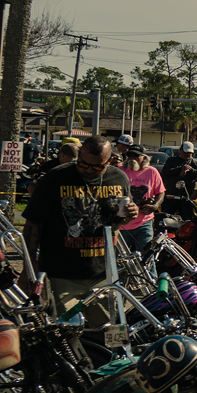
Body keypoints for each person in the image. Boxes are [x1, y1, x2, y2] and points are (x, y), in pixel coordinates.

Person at [21, 135, 134, 323]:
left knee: (107, 334)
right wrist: (28, 269)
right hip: (61, 275)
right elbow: (33, 224)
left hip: (103, 275)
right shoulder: (55, 177)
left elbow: (119, 220)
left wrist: (131, 213)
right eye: (83, 164)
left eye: (97, 167)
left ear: (109, 160)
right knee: (66, 336)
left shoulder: (118, 178)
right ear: (79, 154)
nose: (89, 170)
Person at [118, 142, 162, 254]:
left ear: (144, 157)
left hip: (144, 223)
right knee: (120, 260)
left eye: (136, 155)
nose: (132, 158)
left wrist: (154, 206)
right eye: (130, 155)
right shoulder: (119, 171)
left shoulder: (152, 172)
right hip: (122, 224)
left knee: (147, 259)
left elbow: (160, 192)